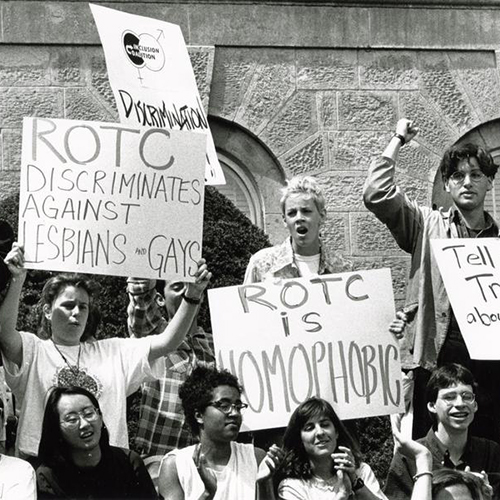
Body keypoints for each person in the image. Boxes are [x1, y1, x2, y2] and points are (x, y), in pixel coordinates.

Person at [0, 242, 211, 459]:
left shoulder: (114, 352)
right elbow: (5, 334)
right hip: (46, 467)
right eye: (68, 305)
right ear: (47, 310)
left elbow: (168, 342)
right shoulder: (34, 350)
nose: (76, 313)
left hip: (105, 469)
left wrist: (193, 295)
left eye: (83, 306)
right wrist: (17, 279)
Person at [363, 118, 500, 442]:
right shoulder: (426, 225)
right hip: (434, 357)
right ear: (447, 185)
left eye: (476, 175)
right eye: (457, 176)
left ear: (489, 183)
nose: (467, 182)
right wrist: (398, 139)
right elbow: (376, 193)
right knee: (431, 455)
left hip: (491, 368)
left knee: (489, 454)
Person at [127, 276, 215, 484]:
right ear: (159, 298)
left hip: (209, 459)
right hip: (159, 455)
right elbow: (140, 297)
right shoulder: (152, 335)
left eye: (194, 286)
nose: (188, 290)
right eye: (178, 287)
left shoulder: (218, 341)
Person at [158, 365, 284, 500]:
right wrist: (208, 493)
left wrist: (263, 484)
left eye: (238, 406)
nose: (234, 413)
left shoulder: (255, 457)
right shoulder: (175, 466)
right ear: (199, 415)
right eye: (224, 406)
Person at [384, 363, 500, 500]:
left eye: (467, 396)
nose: (460, 404)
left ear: (475, 406)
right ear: (432, 406)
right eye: (449, 397)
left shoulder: (491, 452)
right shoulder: (409, 456)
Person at [36, 385, 157, 499]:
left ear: (100, 417)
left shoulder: (128, 461)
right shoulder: (48, 476)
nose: (84, 424)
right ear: (56, 429)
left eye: (89, 414)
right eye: (72, 419)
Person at [244, 175, 351, 284]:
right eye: (292, 213)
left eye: (306, 211)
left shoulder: (343, 269)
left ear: (322, 216)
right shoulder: (261, 264)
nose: (299, 218)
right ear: (284, 220)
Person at [276, 397, 387, 500]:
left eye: (325, 425)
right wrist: (342, 495)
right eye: (309, 428)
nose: (320, 432)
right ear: (299, 440)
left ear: (336, 432)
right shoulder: (292, 487)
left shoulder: (361, 471)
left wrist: (356, 483)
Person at [391, 413, 490, 500]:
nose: (460, 403)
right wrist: (423, 458)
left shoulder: (491, 450)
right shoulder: (406, 458)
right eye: (449, 397)